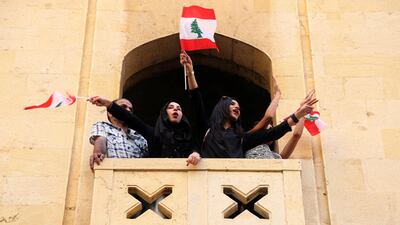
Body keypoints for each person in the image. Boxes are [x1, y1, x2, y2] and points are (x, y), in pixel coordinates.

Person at [179, 50, 317, 158]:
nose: (236, 107)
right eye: (232, 104)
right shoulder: (207, 131)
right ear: (222, 107)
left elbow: (272, 133)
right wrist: (190, 72)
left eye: (238, 106)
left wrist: (298, 114)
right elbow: (196, 101)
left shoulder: (241, 138)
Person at [88, 97, 201, 166]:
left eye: (179, 108)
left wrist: (196, 154)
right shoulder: (153, 134)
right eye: (170, 107)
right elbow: (132, 120)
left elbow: (200, 117)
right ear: (163, 114)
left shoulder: (188, 136)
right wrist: (108, 103)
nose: (175, 109)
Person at [89, 98, 149, 170]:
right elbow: (100, 140)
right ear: (110, 113)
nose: (128, 110)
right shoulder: (103, 126)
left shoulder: (139, 135)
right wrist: (98, 153)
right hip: (115, 175)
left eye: (131, 109)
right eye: (123, 107)